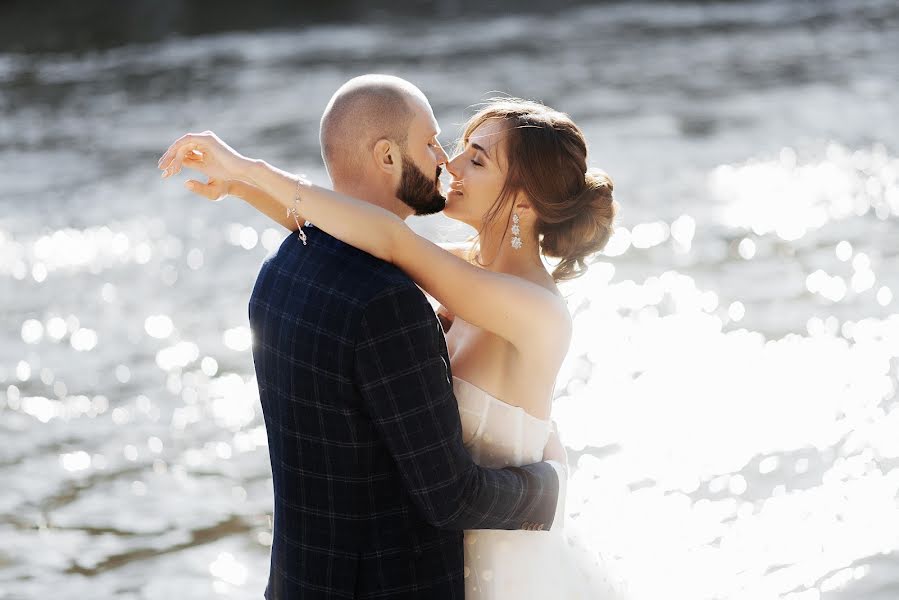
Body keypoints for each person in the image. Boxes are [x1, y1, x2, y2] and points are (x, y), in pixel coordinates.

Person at [159, 75, 573, 600]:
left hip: (505, 559)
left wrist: (249, 171)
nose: (448, 163)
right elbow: (352, 234)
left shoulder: (527, 307)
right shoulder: (462, 274)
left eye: (478, 159)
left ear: (524, 203)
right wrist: (241, 185)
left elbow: (388, 239)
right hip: (441, 559)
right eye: (451, 146)